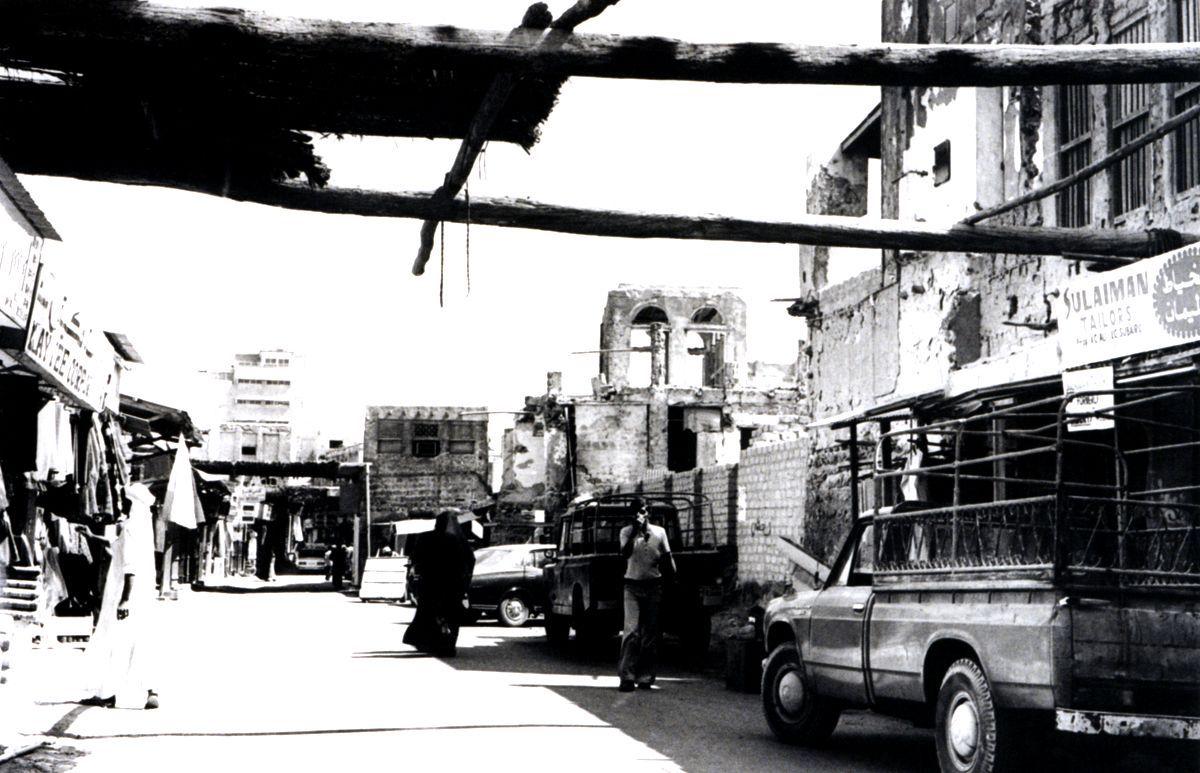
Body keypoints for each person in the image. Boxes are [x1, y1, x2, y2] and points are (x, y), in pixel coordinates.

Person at [80, 482, 159, 710]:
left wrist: (125, 599)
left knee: (116, 638)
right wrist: (92, 536)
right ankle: (150, 690)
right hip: (140, 593)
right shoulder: (141, 527)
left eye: (126, 500)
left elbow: (130, 566)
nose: (122, 503)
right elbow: (116, 547)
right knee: (138, 638)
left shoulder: (132, 526)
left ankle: (108, 693)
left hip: (126, 591)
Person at [617, 498, 676, 692]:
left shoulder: (659, 532)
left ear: (648, 512)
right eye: (636, 512)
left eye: (643, 511)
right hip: (632, 586)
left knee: (650, 634)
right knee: (631, 632)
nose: (640, 515)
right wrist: (636, 531)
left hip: (653, 586)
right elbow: (624, 555)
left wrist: (672, 576)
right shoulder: (626, 532)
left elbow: (668, 558)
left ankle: (645, 677)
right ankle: (626, 676)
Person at [403, 511, 475, 657]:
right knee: (451, 616)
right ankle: (448, 646)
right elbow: (470, 560)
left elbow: (416, 557)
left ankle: (432, 644)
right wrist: (465, 580)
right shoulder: (459, 540)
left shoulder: (425, 537)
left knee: (429, 613)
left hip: (430, 584)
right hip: (453, 586)